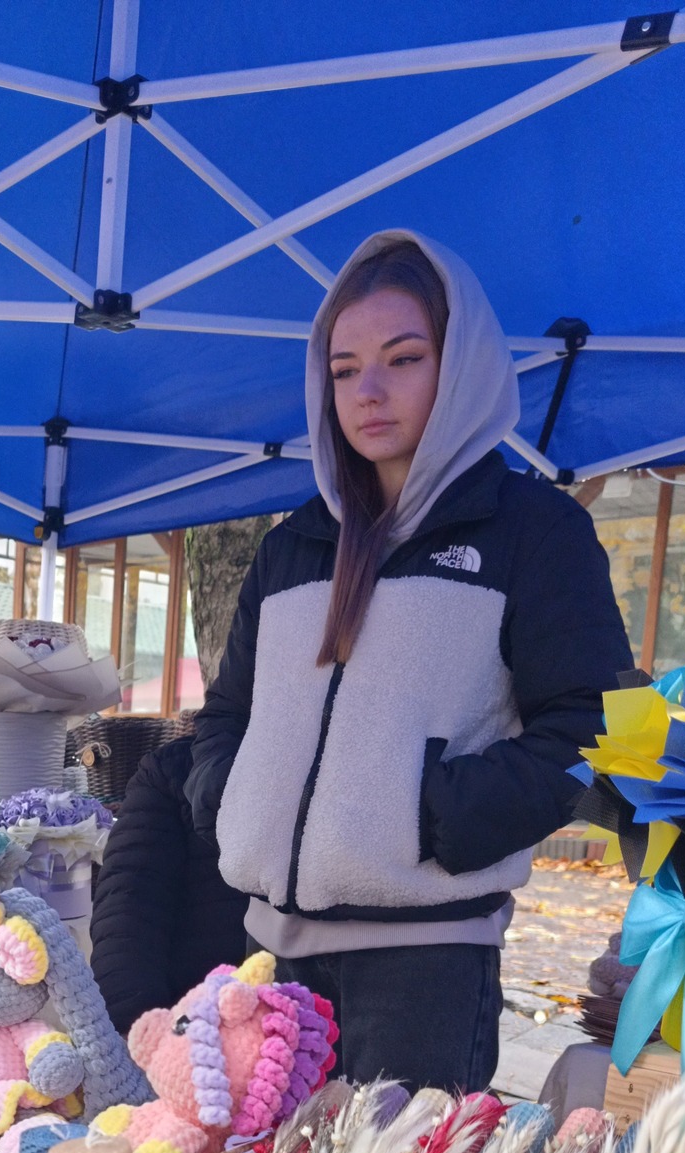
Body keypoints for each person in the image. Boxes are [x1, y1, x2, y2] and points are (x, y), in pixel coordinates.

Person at [185, 231, 631, 1092]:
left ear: (459, 367)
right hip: (269, 959)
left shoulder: (533, 532)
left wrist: (432, 819)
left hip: (424, 968)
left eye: (403, 358)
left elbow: (590, 724)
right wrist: (229, 804)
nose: (369, 391)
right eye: (345, 369)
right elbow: (230, 712)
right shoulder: (292, 546)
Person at [91, 734, 251, 1036]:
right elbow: (128, 910)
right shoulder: (174, 770)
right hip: (194, 1025)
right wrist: (146, 1033)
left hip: (303, 1021)